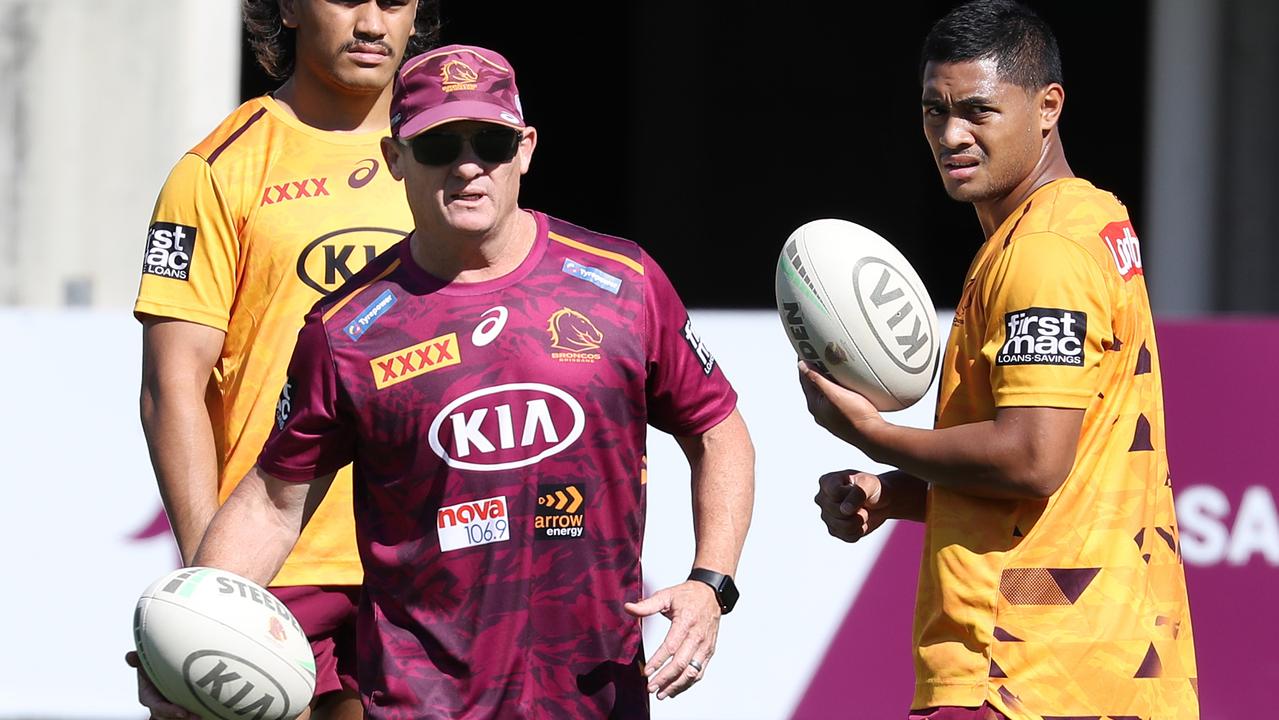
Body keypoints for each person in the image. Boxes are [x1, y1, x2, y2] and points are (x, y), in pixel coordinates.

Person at [174, 44, 754, 719]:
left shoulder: (622, 283)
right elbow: (273, 504)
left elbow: (716, 429)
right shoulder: (346, 330)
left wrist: (710, 582)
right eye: (439, 145)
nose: (469, 164)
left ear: (526, 149)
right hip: (422, 702)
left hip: (595, 695)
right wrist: (188, 638)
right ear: (394, 159)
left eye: (492, 142)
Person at [801, 1, 1198, 718]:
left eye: (978, 111)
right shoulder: (1090, 220)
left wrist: (866, 432)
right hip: (1113, 664)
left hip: (1023, 673)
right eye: (932, 111)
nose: (950, 135)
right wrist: (894, 492)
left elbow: (1031, 459)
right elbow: (1058, 487)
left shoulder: (1043, 252)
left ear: (1047, 106)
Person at [129, 2, 440, 718]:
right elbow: (171, 388)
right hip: (277, 566)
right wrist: (211, 587)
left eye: (393, 2)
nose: (372, 23)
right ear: (291, 7)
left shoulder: (456, 156)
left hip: (427, 561)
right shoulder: (215, 169)